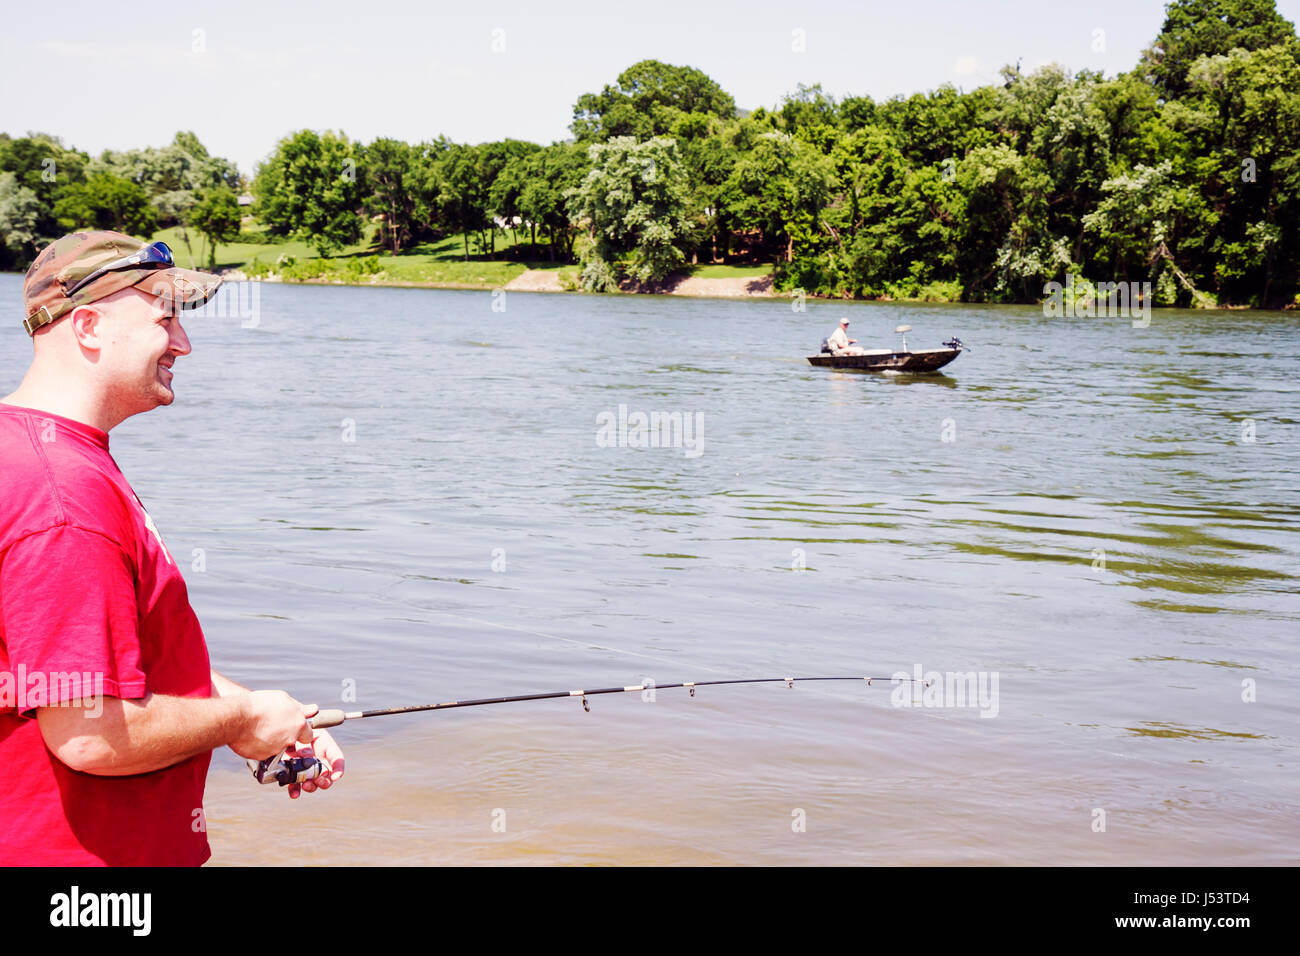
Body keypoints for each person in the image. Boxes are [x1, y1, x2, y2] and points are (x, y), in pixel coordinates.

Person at [0, 231, 344, 866]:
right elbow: (92, 734)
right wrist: (240, 720)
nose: (183, 343)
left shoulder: (34, 452)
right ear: (89, 327)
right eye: (165, 319)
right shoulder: (64, 496)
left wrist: (263, 720)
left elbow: (117, 658)